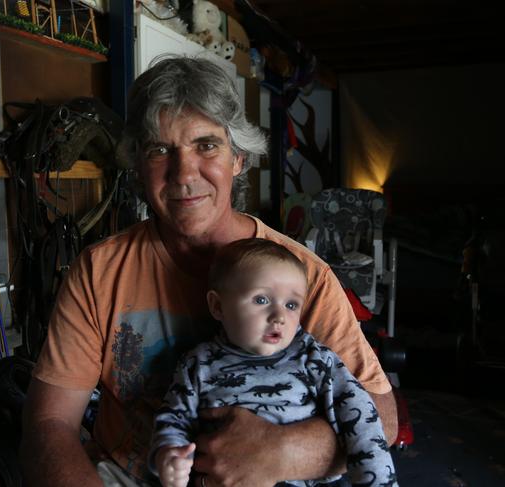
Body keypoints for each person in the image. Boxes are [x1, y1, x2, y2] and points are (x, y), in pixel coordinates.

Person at [21, 55, 397, 487]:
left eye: (206, 145)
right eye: (160, 150)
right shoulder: (99, 271)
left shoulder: (301, 276)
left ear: (238, 159)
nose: (184, 174)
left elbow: (380, 418)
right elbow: (49, 422)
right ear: (139, 166)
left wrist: (282, 453)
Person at [151, 238, 398, 487]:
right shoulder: (198, 363)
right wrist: (169, 454)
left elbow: (363, 417)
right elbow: (174, 417)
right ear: (217, 306)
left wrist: (376, 481)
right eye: (261, 300)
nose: (279, 316)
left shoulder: (315, 358)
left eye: (291, 305)